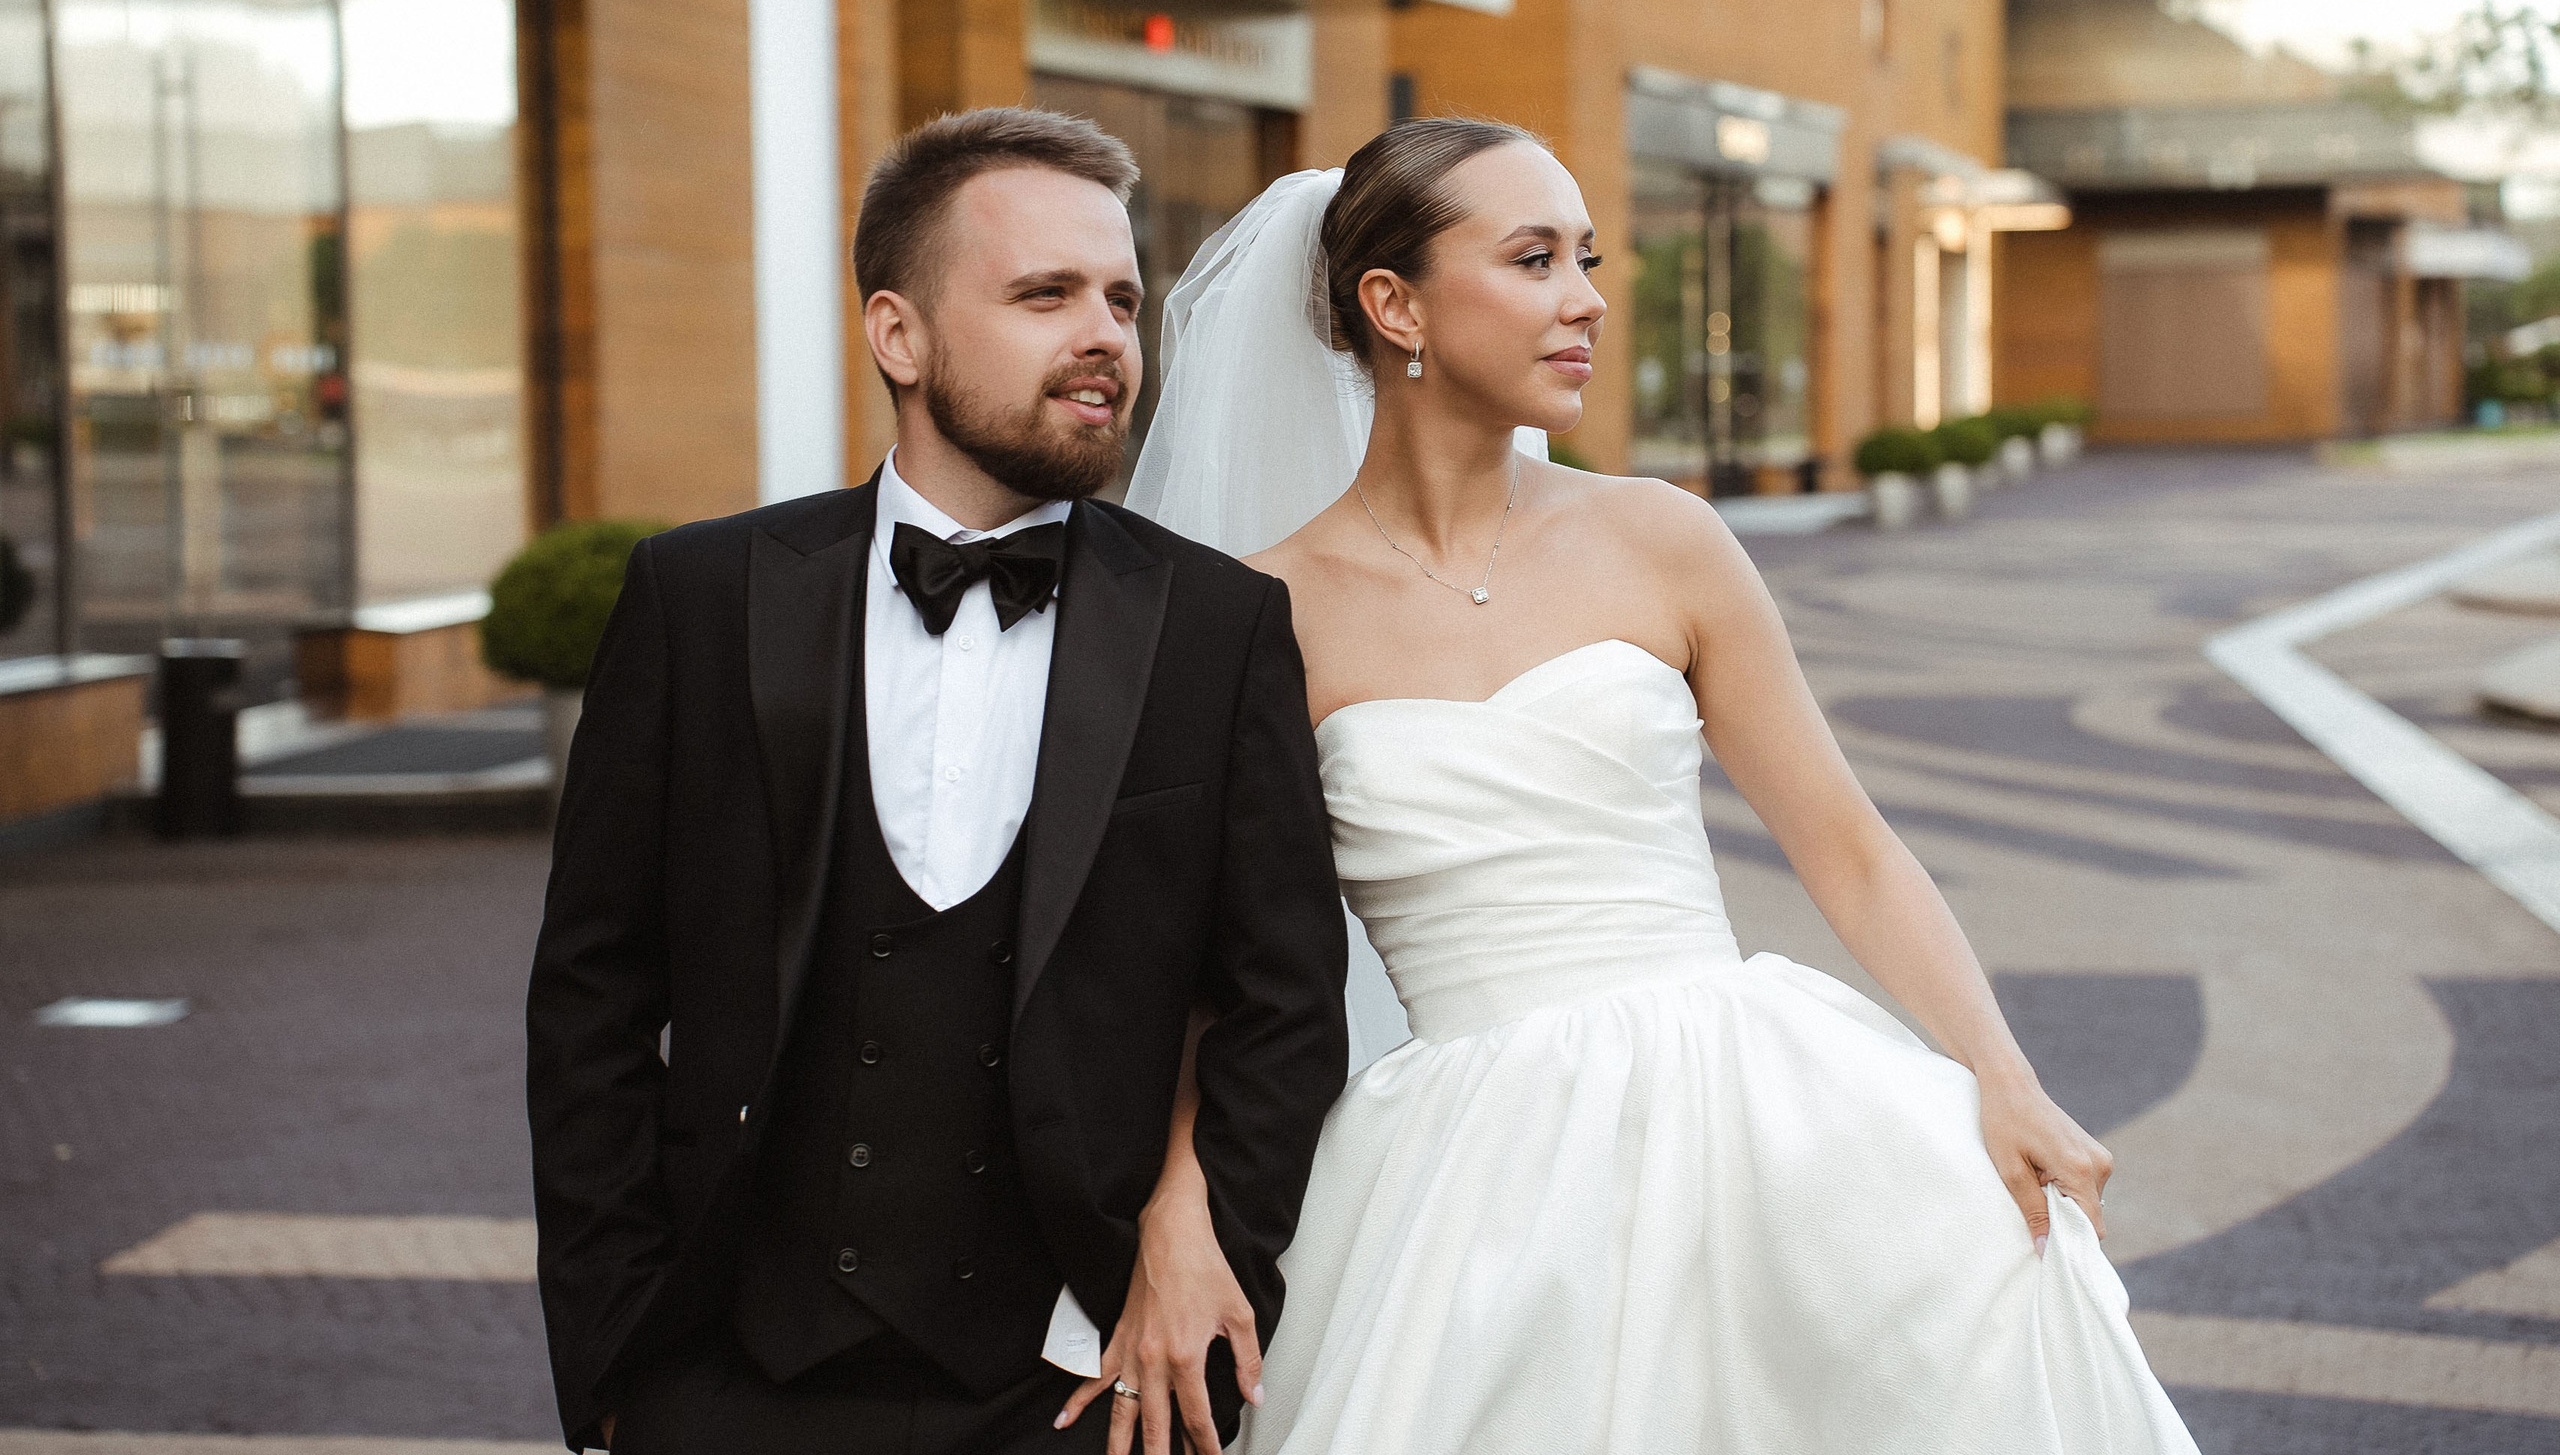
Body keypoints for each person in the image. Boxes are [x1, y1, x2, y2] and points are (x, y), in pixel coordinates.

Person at [1120, 117, 2202, 1452]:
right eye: (1532, 259)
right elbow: (1223, 963)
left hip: (1748, 1107)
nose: (1586, 299)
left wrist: (2002, 1074)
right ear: (1392, 302)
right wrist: (1180, 1206)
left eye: (1587, 256)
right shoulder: (1262, 613)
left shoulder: (1665, 539)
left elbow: (1849, 844)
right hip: (1475, 1171)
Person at [525, 107, 1348, 1455]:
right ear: (898, 334)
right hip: (733, 1379)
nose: (1106, 334)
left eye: (1124, 299)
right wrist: (619, 1356)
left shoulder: (1215, 626)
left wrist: (1205, 1266)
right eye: (1046, 294)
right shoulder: (701, 594)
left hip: (1080, 1393)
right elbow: (592, 995)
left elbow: (1286, 997)